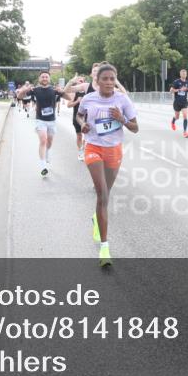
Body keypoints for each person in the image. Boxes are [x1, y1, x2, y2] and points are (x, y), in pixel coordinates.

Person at [77, 64, 138, 266]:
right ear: (98, 81)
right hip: (93, 147)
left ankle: (97, 218)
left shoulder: (122, 99)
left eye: (113, 79)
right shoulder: (89, 98)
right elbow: (80, 114)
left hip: (114, 150)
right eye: (106, 79)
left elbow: (135, 128)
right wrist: (82, 124)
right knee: (102, 194)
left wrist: (122, 119)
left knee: (106, 195)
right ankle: (104, 249)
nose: (110, 83)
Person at [16, 72, 70, 176]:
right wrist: (24, 90)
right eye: (42, 77)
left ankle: (47, 152)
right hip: (40, 120)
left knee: (49, 142)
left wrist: (62, 91)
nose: (44, 78)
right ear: (39, 79)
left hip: (52, 120)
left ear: (49, 79)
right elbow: (19, 96)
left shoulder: (54, 90)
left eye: (46, 77)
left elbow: (69, 98)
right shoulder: (35, 90)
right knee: (43, 140)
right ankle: (43, 165)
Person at [169, 68, 188, 138]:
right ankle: (173, 121)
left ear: (186, 75)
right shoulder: (176, 82)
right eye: (183, 73)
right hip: (177, 102)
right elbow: (171, 91)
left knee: (185, 116)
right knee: (177, 117)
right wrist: (179, 89)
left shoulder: (187, 82)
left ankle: (185, 132)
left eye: (185, 73)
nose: (184, 75)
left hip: (184, 102)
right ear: (180, 74)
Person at [67, 75, 88, 161]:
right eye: (79, 81)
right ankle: (80, 153)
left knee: (87, 137)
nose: (81, 82)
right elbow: (68, 105)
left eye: (82, 81)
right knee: (79, 136)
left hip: (88, 117)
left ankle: (83, 149)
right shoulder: (74, 93)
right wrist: (77, 101)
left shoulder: (88, 91)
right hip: (77, 117)